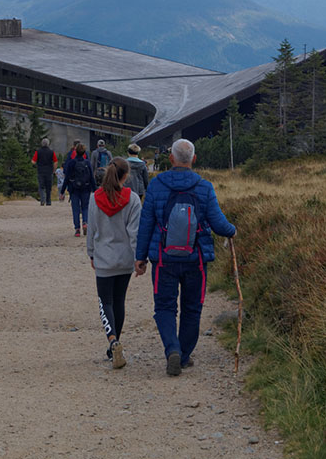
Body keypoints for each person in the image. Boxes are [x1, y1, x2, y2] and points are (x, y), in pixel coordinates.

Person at [135, 138, 236, 376]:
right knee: (192, 308)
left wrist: (141, 257)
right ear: (194, 159)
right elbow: (219, 224)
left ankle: (172, 349)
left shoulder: (156, 185)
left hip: (164, 259)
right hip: (196, 260)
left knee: (164, 307)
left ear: (171, 158)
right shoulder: (204, 187)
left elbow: (146, 223)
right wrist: (232, 231)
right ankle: (184, 355)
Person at [86, 158, 141, 369]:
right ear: (126, 176)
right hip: (124, 259)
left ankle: (112, 340)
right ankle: (116, 343)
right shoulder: (133, 199)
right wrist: (139, 258)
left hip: (104, 258)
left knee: (105, 301)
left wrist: (91, 252)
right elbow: (135, 233)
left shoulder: (95, 198)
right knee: (119, 301)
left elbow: (92, 229)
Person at [62, 142, 94, 236]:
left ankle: (77, 229)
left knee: (75, 209)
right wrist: (95, 189)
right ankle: (85, 222)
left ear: (75, 151)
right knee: (85, 207)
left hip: (74, 188)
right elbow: (91, 177)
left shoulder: (71, 163)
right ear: (84, 152)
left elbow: (67, 177)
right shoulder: (87, 163)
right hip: (86, 187)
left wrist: (62, 191)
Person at [31, 138, 58, 206]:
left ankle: (43, 200)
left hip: (41, 171)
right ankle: (48, 201)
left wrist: (37, 164)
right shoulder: (51, 152)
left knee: (41, 186)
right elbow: (55, 162)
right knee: (48, 187)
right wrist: (54, 170)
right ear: (48, 144)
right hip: (49, 171)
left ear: (41, 144)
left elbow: (33, 161)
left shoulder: (38, 152)